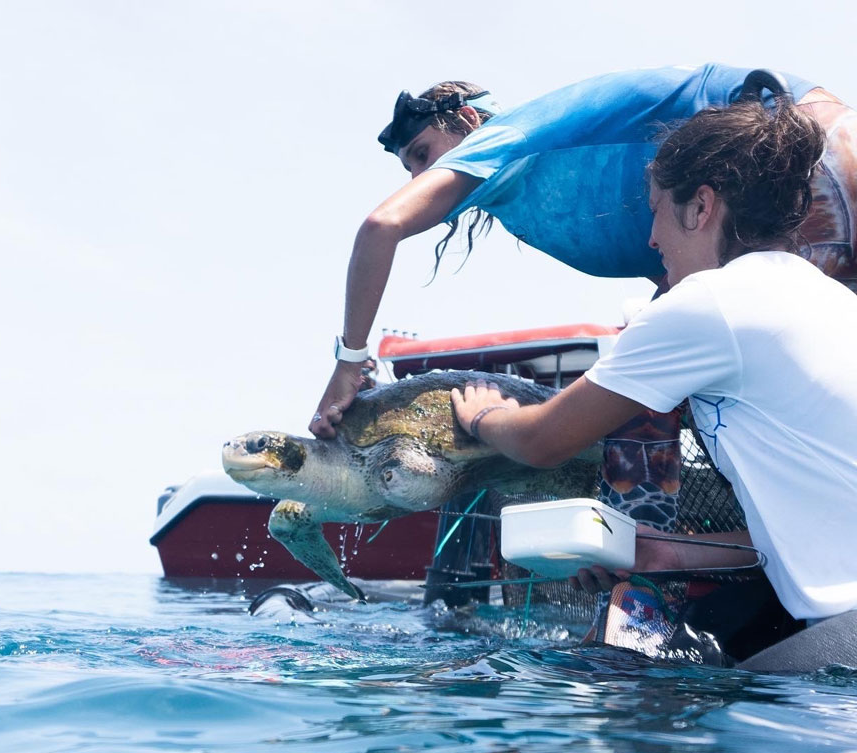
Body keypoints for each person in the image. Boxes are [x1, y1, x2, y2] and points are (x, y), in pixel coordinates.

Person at [309, 64, 857, 534]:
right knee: (653, 368)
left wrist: (349, 364)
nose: (423, 178)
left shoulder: (512, 137)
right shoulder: (533, 200)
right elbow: (675, 279)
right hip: (807, 178)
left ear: (469, 123)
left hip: (809, 155)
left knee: (644, 371)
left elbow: (382, 225)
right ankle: (656, 549)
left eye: (425, 155)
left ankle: (643, 581)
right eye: (412, 168)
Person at [449, 97, 857, 626]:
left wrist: (484, 416)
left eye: (656, 209)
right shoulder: (832, 302)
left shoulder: (713, 301)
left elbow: (542, 441)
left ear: (701, 206)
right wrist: (673, 551)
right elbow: (824, 518)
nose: (650, 238)